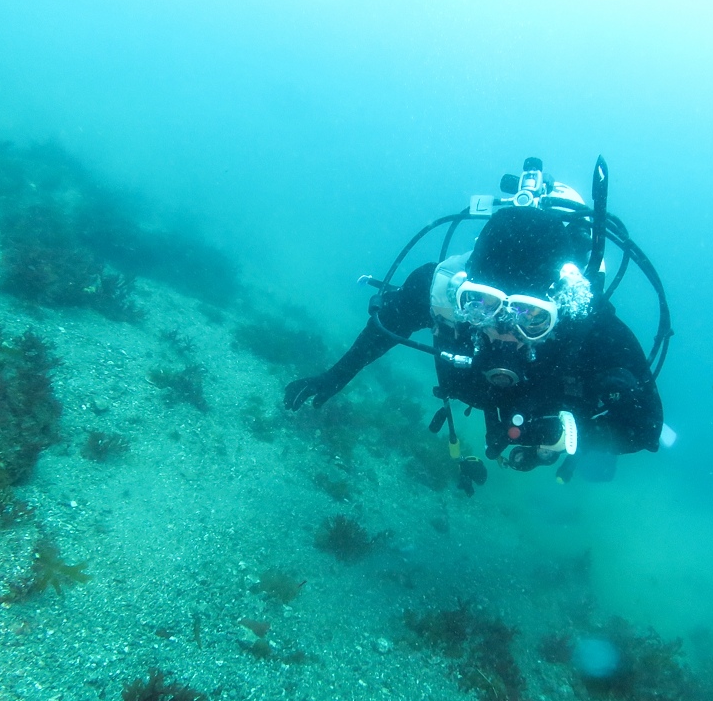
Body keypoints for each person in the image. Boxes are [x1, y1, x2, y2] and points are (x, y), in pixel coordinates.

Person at [285, 158, 666, 493]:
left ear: (557, 311)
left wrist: (576, 434)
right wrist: (334, 376)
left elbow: (647, 427)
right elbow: (384, 328)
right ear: (462, 290)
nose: (501, 329)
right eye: (480, 304)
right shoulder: (439, 292)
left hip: (551, 411)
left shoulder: (589, 327)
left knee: (596, 464)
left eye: (530, 316)